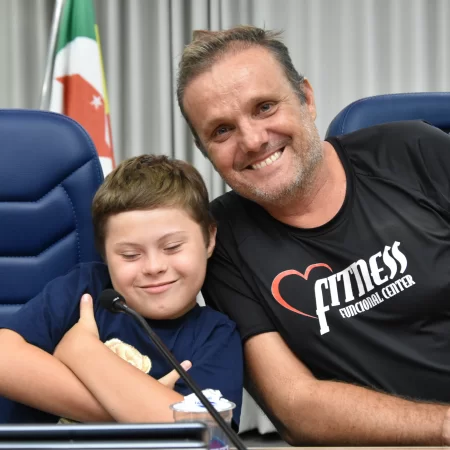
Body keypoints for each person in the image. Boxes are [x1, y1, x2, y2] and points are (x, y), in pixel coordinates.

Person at [176, 25, 450, 445]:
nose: (253, 140)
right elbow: (295, 406)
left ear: (306, 97)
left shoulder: (414, 151)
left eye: (264, 107)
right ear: (205, 151)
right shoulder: (220, 241)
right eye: (222, 130)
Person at [0, 154, 243, 426]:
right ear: (104, 253)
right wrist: (138, 409)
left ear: (209, 239)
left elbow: (206, 431)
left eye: (172, 247)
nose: (154, 267)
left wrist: (83, 351)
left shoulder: (216, 336)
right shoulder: (84, 290)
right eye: (130, 255)